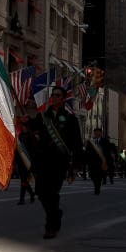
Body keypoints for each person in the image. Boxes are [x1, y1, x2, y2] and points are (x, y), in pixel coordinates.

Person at [28, 86, 83, 239]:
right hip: (43, 161)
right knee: (40, 192)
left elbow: (76, 143)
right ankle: (56, 213)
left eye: (58, 95)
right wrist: (25, 121)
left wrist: (75, 165)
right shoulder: (43, 116)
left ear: (63, 98)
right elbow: (31, 127)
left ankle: (51, 226)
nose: (54, 97)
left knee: (52, 192)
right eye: (53, 95)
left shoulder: (71, 119)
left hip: (59, 161)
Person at [15, 115, 36, 205]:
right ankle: (31, 194)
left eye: (24, 126)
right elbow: (17, 150)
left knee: (24, 180)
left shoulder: (31, 137)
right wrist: (15, 160)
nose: (23, 128)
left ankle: (22, 199)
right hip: (20, 161)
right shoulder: (20, 137)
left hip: (28, 161)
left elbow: (33, 150)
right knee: (24, 180)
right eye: (22, 126)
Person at [85, 128, 113, 195]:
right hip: (92, 161)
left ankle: (97, 188)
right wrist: (86, 159)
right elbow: (87, 151)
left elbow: (108, 151)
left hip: (101, 161)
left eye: (98, 132)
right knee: (92, 175)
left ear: (101, 133)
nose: (96, 134)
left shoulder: (105, 141)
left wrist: (107, 161)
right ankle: (96, 184)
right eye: (95, 132)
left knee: (99, 175)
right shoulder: (91, 141)